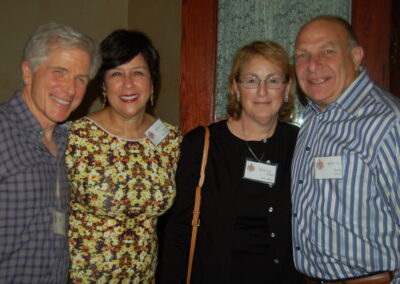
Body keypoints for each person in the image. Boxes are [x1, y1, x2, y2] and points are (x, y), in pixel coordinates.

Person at [158, 40, 303, 284]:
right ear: (235, 87)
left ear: (287, 88)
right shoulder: (202, 144)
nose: (262, 91)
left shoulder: (301, 145)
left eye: (273, 80)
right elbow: (177, 231)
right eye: (251, 80)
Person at [66, 29, 182, 283]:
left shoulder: (171, 140)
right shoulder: (75, 137)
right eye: (117, 73)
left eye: (138, 73)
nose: (128, 84)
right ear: (104, 84)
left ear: (153, 81)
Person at [291, 15, 400, 283]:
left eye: (327, 51)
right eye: (302, 55)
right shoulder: (311, 119)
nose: (313, 66)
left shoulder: (388, 123)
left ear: (356, 56)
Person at [0, 23, 99, 284]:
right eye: (59, 72)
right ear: (28, 72)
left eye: (81, 79)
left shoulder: (66, 141)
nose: (70, 89)